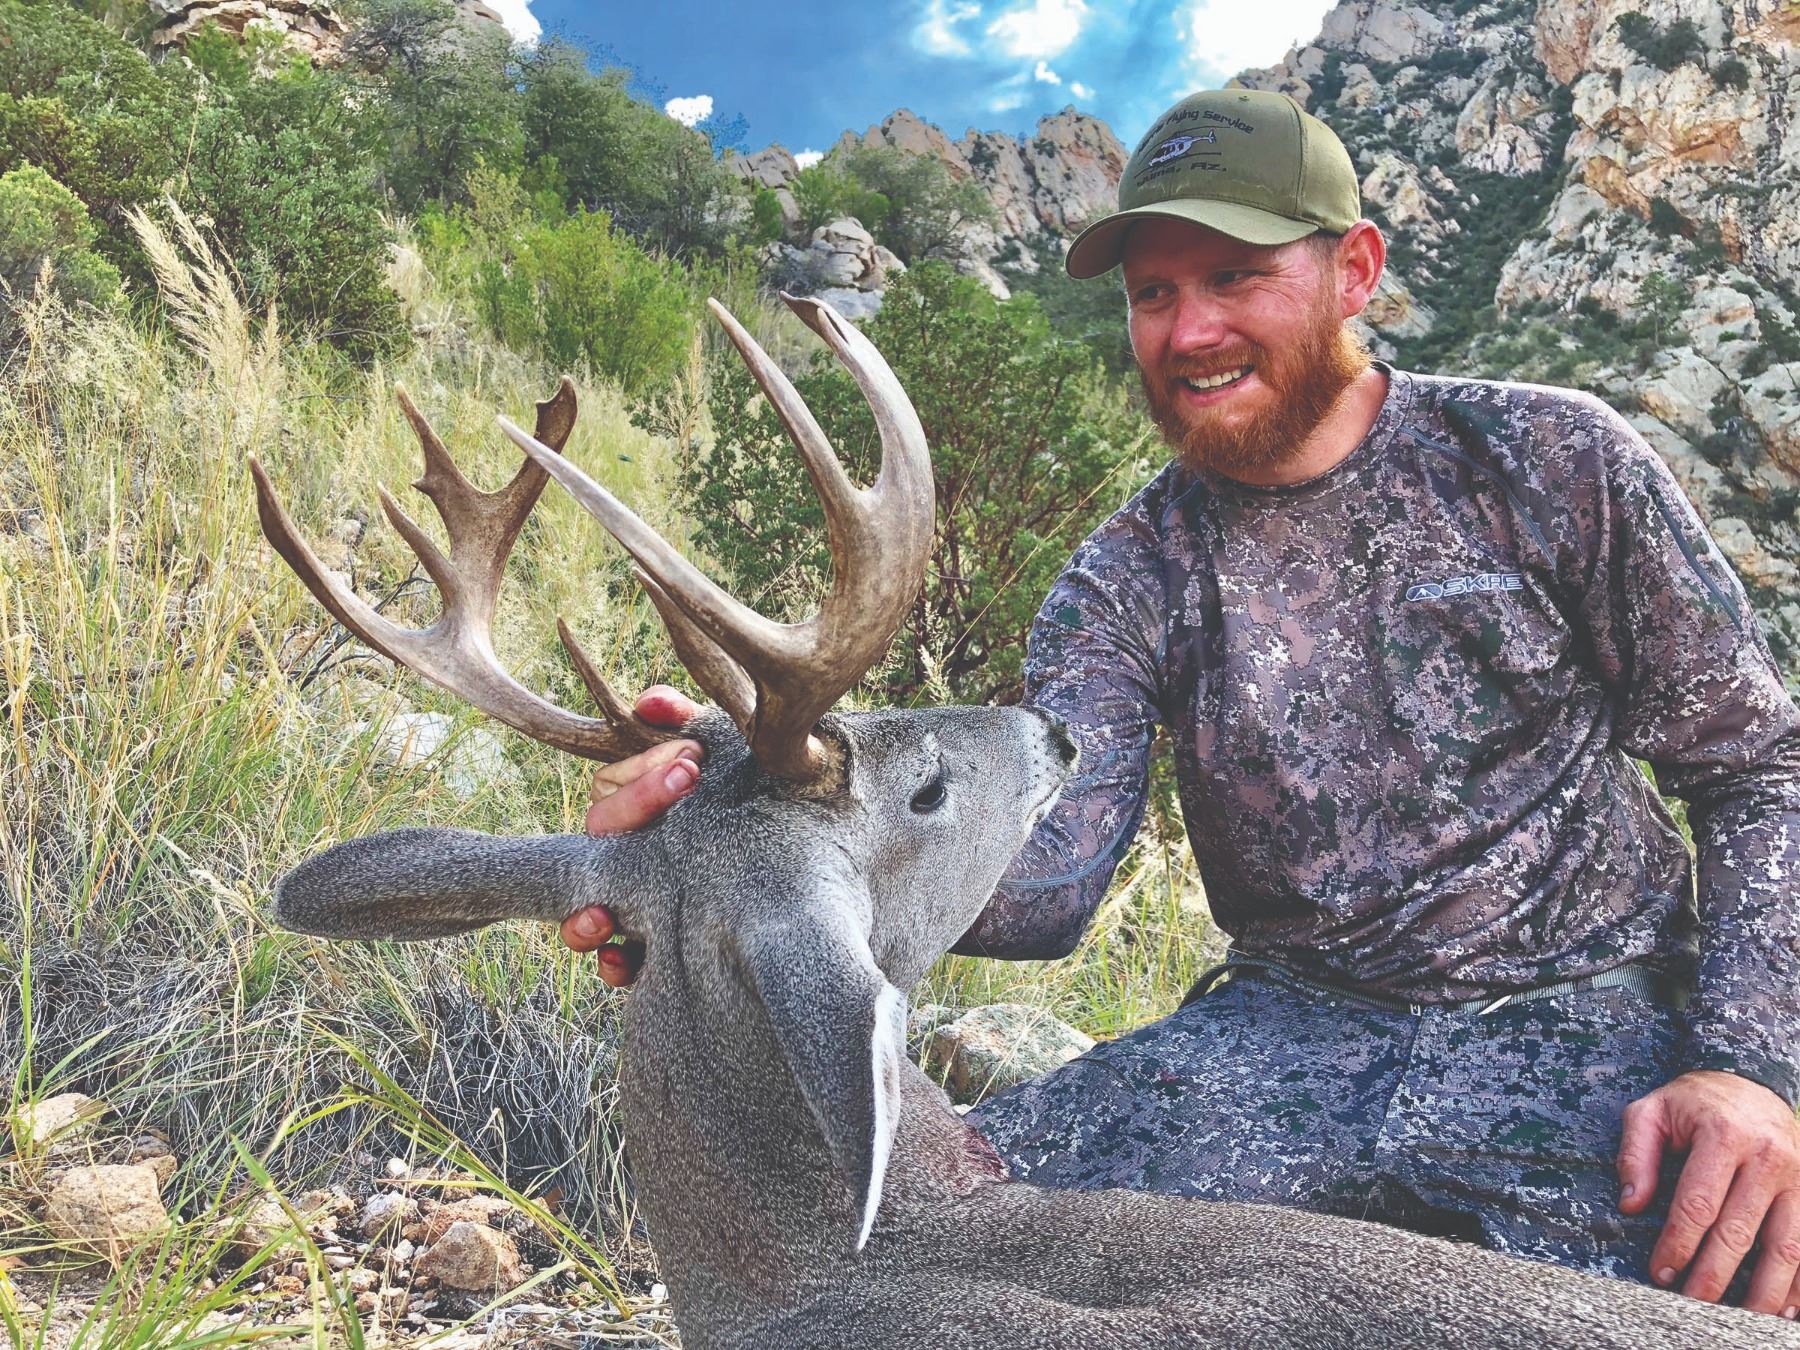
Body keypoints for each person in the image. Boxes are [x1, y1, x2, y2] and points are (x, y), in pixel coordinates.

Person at [561, 89, 1800, 1317]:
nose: (1189, 330)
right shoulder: (1126, 575)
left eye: (1235, 276)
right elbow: (1045, 875)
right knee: (911, 1251)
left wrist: (1753, 1068)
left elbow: (1757, 768)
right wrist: (746, 831)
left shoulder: (1549, 460)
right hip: (1280, 1047)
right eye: (1153, 293)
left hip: (1589, 1029)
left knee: (1742, 1270)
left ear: (1355, 271)